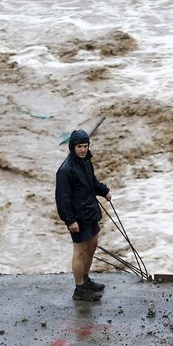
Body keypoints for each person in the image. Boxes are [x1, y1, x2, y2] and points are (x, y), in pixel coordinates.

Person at [55, 129, 112, 301]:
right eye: (79, 146)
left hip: (90, 211)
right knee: (80, 252)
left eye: (85, 146)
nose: (83, 150)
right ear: (72, 147)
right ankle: (79, 289)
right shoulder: (65, 170)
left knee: (92, 245)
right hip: (77, 217)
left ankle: (86, 280)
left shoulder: (86, 162)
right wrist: (70, 220)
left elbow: (92, 182)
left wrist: (104, 191)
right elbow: (62, 199)